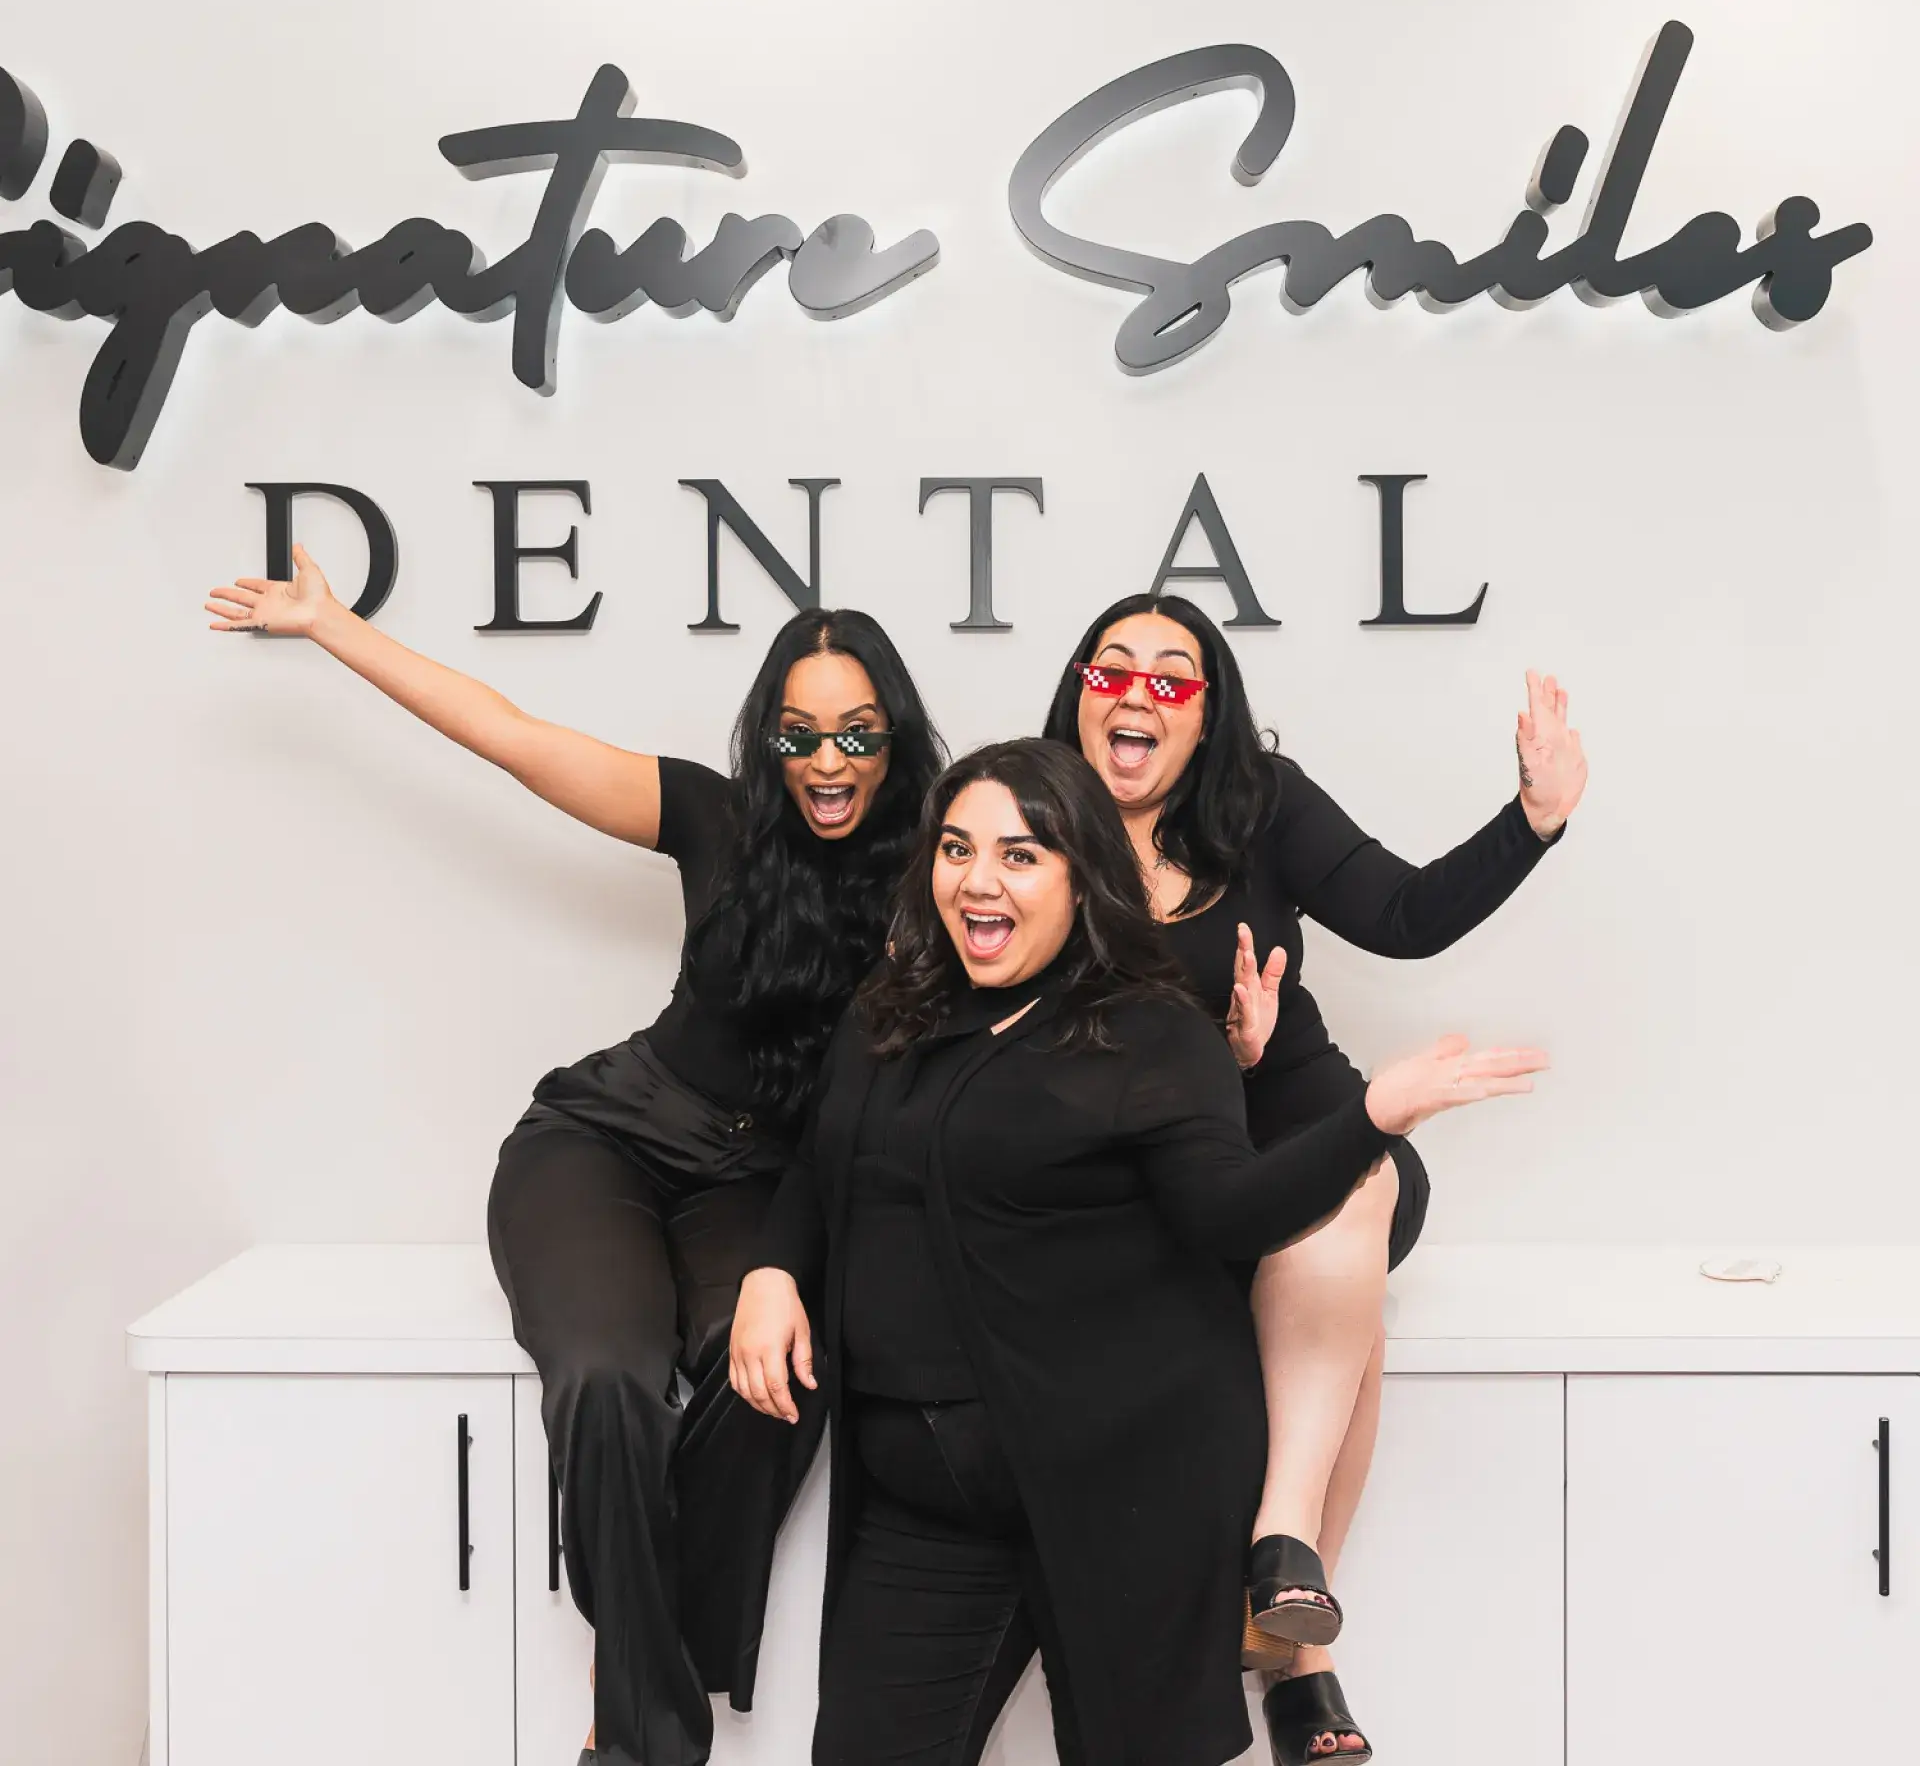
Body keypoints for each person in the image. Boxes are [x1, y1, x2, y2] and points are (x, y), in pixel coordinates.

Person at [204, 547, 945, 1766]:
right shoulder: (715, 818)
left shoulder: (944, 873)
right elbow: (510, 734)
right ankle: (644, 1742)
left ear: (894, 739)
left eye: (857, 736)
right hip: (607, 1140)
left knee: (782, 1381)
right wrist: (335, 627)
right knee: (605, 1379)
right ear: (766, 742)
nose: (827, 764)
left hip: (765, 1190)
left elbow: (1080, 911)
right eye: (799, 736)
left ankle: (633, 1694)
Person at [729, 738, 1546, 1766]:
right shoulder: (889, 1008)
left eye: (1021, 856)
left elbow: (1231, 1212)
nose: (978, 879)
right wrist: (772, 1270)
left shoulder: (1150, 1032)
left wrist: (1372, 1116)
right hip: (926, 1509)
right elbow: (825, 1159)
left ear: (1083, 878)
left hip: (1124, 1492)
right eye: (955, 848)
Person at [1041, 593, 1587, 1765]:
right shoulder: (1031, 824)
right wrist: (1204, 1058)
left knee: (1350, 1190)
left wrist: (1533, 819)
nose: (1139, 692)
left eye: (1173, 680)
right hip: (1164, 1180)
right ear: (1081, 691)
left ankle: (1285, 1542)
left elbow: (1402, 913)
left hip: (1316, 1130)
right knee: (1356, 1330)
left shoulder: (1260, 803)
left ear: (1204, 718)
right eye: (1114, 670)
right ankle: (1303, 1653)